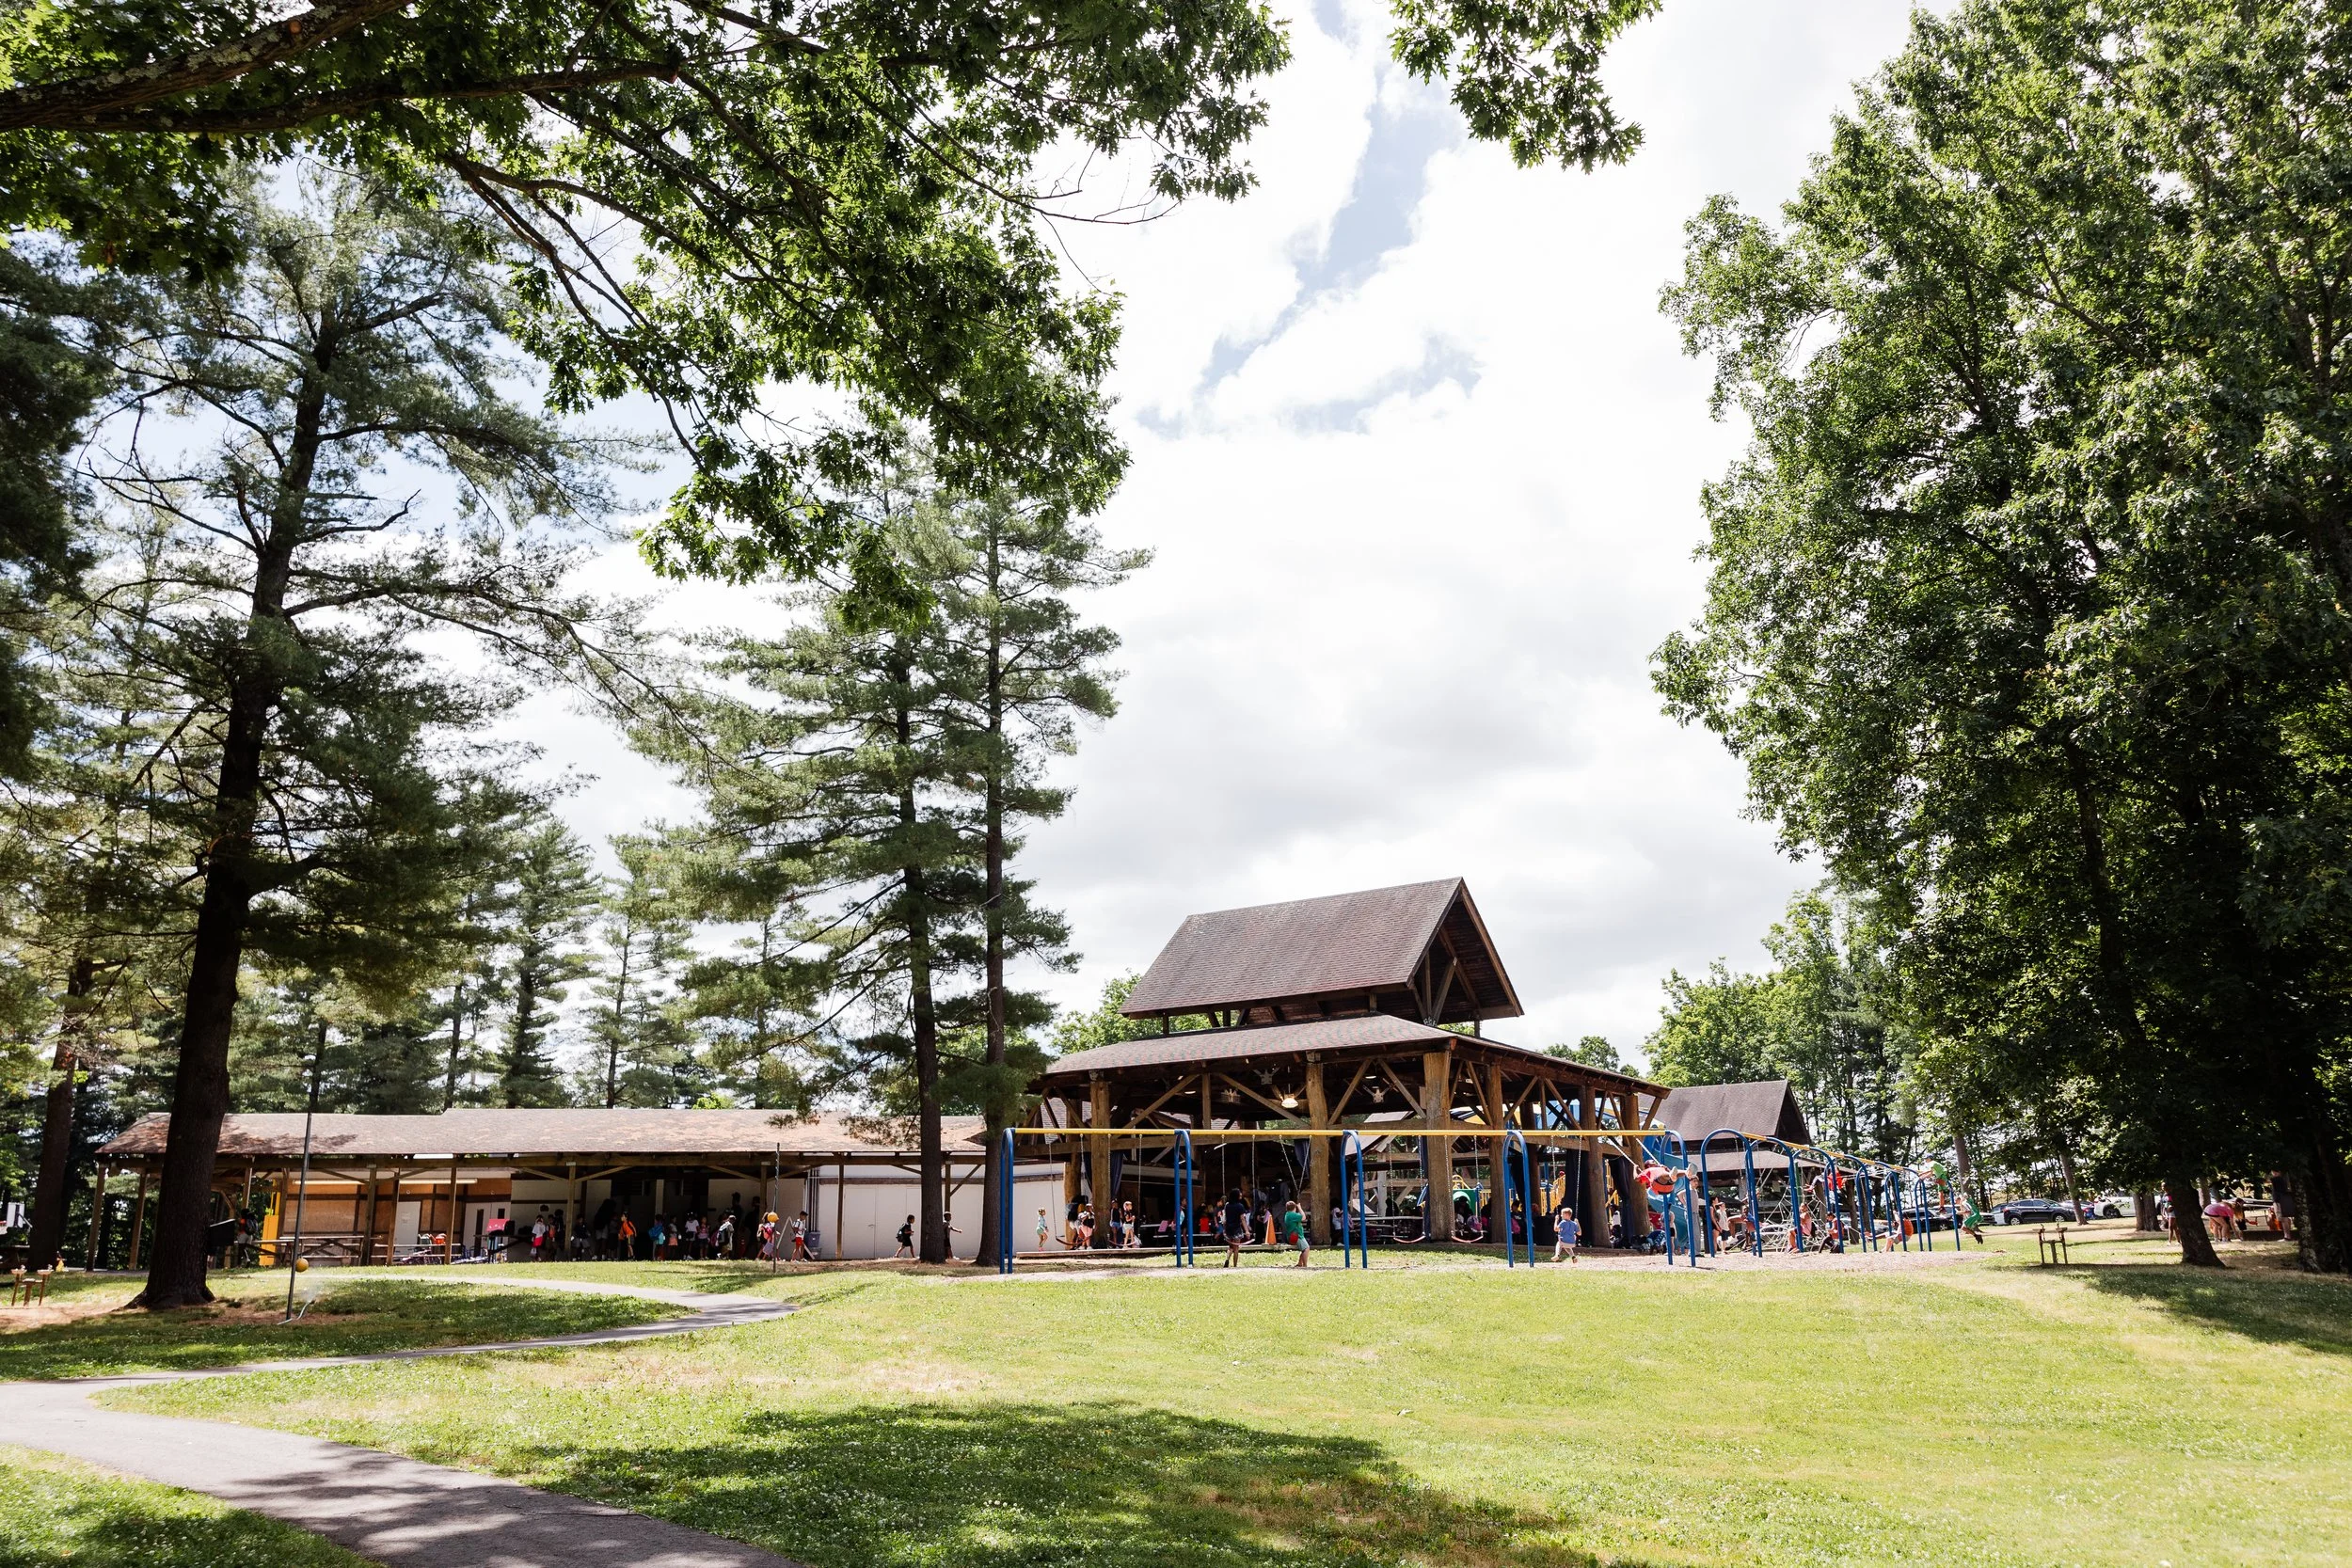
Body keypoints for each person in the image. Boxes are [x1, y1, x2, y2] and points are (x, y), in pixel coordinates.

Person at [1280, 1199, 1311, 1267]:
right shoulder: (1292, 1215)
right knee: (1306, 1249)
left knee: (1304, 1249)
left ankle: (1300, 1263)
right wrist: (1300, 1208)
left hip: (1294, 1236)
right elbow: (1303, 1217)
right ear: (1294, 1208)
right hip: (1296, 1236)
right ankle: (1305, 1265)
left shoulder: (1287, 1214)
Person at [1223, 1190, 1248, 1267]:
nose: (1240, 1197)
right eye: (1239, 1196)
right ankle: (1235, 1266)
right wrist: (1246, 1230)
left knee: (1230, 1247)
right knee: (1236, 1248)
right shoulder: (1240, 1206)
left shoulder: (1227, 1205)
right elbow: (1243, 1219)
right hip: (1237, 1229)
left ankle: (1227, 1259)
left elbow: (1225, 1218)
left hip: (1228, 1229)